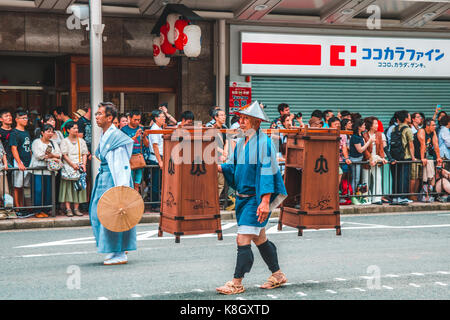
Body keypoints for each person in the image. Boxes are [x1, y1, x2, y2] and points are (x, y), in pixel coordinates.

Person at [216, 101, 288, 295]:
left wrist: (265, 201)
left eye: (245, 118)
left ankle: (236, 282)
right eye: (240, 118)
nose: (241, 121)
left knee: (243, 238)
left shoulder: (264, 143)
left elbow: (267, 173)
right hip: (243, 198)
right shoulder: (242, 141)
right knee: (260, 238)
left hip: (255, 199)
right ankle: (278, 274)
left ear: (256, 122)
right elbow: (233, 167)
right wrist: (219, 167)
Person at [89, 102, 136, 265]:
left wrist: (122, 190)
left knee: (113, 215)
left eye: (100, 114)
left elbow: (121, 165)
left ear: (110, 118)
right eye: (96, 113)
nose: (97, 116)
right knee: (98, 214)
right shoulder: (106, 134)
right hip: (104, 179)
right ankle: (112, 249)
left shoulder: (115, 137)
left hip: (114, 180)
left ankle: (119, 252)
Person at [30, 124, 62, 218]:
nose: (50, 133)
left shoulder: (53, 143)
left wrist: (51, 156)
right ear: (42, 132)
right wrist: (52, 157)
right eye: (48, 131)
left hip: (49, 171)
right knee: (38, 190)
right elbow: (38, 155)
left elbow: (59, 154)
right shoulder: (36, 142)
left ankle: (46, 210)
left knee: (48, 191)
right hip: (37, 171)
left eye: (52, 131)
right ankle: (38, 210)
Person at [59, 121, 89, 217]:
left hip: (79, 167)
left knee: (78, 188)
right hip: (68, 167)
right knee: (68, 188)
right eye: (74, 128)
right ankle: (68, 209)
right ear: (68, 130)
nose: (76, 130)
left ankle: (76, 208)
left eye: (77, 128)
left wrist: (84, 165)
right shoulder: (64, 141)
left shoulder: (81, 141)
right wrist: (72, 165)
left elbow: (84, 153)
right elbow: (64, 155)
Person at [390, 110, 415, 205]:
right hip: (405, 156)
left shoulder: (394, 129)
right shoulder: (407, 129)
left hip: (396, 156)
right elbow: (411, 144)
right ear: (405, 118)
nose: (410, 118)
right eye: (409, 116)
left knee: (396, 177)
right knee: (404, 177)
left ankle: (396, 197)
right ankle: (403, 197)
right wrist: (412, 157)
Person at [362, 116, 388, 205]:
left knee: (378, 178)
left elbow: (381, 148)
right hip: (367, 160)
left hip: (377, 159)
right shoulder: (364, 135)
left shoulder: (379, 134)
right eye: (375, 123)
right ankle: (366, 198)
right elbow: (364, 149)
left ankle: (377, 198)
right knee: (366, 179)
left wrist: (382, 158)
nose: (377, 125)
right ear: (370, 125)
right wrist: (370, 158)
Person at [121, 110, 149, 191]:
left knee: (137, 185)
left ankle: (136, 202)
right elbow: (123, 144)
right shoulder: (124, 130)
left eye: (139, 120)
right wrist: (136, 136)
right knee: (129, 185)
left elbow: (147, 145)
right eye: (135, 120)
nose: (137, 122)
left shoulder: (142, 128)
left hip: (139, 159)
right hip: (127, 159)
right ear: (129, 118)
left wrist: (144, 137)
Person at [348, 118, 375, 205]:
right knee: (355, 179)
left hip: (359, 159)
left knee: (357, 178)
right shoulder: (355, 137)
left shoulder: (360, 136)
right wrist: (369, 141)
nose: (364, 126)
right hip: (355, 159)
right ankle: (352, 196)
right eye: (363, 125)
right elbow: (360, 150)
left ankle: (357, 195)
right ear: (359, 127)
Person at [10, 111, 32, 211]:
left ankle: (23, 206)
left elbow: (29, 148)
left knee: (25, 186)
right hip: (19, 161)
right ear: (17, 119)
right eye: (23, 118)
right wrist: (19, 162)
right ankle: (18, 207)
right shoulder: (14, 133)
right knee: (17, 186)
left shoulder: (26, 132)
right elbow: (14, 148)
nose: (25, 120)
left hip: (28, 161)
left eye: (26, 118)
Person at [417, 118, 442, 201]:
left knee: (431, 175)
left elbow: (436, 145)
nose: (435, 126)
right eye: (433, 125)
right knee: (422, 176)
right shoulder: (421, 131)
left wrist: (438, 157)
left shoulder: (433, 132)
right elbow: (422, 145)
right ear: (427, 126)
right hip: (417, 154)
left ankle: (429, 193)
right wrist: (422, 158)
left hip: (427, 156)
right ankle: (424, 194)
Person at [148, 109, 166, 210]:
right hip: (155, 158)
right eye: (162, 117)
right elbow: (155, 146)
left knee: (159, 182)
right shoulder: (155, 129)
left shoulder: (160, 128)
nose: (164, 118)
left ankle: (157, 203)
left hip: (159, 157)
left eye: (164, 117)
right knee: (156, 182)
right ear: (156, 118)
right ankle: (154, 205)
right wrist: (160, 161)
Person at [212, 109, 229, 199]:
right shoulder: (211, 128)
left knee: (221, 183)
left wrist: (225, 152)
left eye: (224, 115)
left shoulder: (224, 128)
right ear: (216, 117)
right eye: (221, 115)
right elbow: (211, 144)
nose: (224, 117)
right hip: (213, 157)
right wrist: (222, 151)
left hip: (222, 159)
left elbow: (226, 141)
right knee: (212, 181)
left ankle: (215, 201)